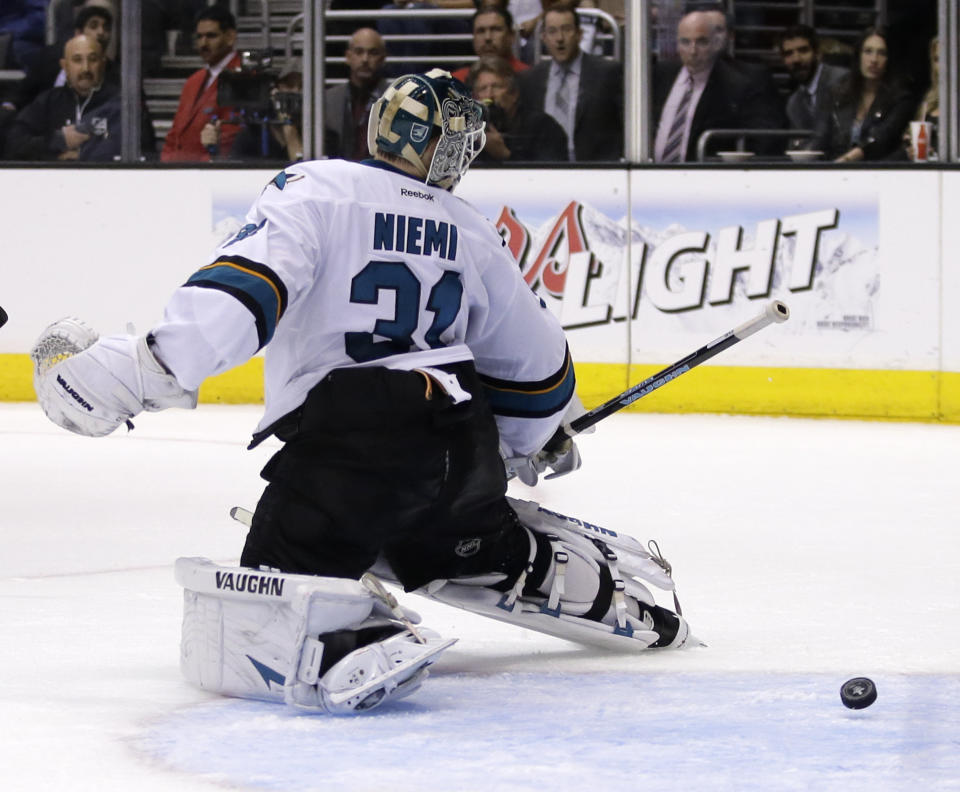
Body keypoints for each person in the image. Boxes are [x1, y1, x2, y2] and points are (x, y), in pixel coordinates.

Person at [31, 68, 691, 714]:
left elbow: (242, 297)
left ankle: (351, 636)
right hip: (465, 452)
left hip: (351, 460)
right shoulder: (468, 227)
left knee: (261, 603)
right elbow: (536, 364)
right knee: (458, 530)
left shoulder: (316, 188)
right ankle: (542, 564)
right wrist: (536, 439)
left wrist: (137, 374)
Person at [652, 10, 784, 162]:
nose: (693, 51)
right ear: (677, 43)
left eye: (701, 42)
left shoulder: (736, 83)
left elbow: (763, 141)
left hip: (706, 176)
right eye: (685, 42)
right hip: (653, 175)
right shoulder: (661, 75)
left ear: (715, 44)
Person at [4, 33, 154, 161]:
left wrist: (83, 157)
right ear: (65, 66)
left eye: (93, 59)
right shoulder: (48, 101)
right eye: (77, 60)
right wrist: (59, 141)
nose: (86, 68)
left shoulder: (122, 104)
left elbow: (146, 150)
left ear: (103, 63)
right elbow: (13, 143)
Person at [517, 2, 623, 161]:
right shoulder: (530, 79)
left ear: (579, 34)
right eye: (552, 32)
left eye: (567, 30)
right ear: (544, 38)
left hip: (595, 170)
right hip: (543, 170)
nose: (560, 38)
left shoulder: (607, 73)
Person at [809, 27, 915, 163]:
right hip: (835, 172)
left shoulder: (901, 98)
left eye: (881, 53)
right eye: (868, 51)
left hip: (878, 173)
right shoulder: (837, 93)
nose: (874, 60)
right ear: (859, 56)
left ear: (890, 59)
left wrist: (846, 160)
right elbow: (821, 136)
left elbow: (882, 137)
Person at [160, 6, 242, 162]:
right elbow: (174, 135)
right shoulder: (193, 81)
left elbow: (231, 138)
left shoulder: (244, 78)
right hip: (177, 174)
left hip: (211, 174)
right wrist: (167, 166)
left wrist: (198, 170)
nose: (203, 43)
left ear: (230, 37)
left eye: (211, 36)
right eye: (199, 37)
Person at [470, 55, 567, 161]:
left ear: (514, 94)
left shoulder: (543, 127)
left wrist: (504, 154)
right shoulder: (470, 131)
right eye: (482, 89)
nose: (489, 95)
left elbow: (549, 174)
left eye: (496, 87)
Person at [323, 27, 389, 161]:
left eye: (373, 53)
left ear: (382, 59)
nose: (365, 59)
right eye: (359, 52)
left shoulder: (396, 99)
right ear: (348, 57)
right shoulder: (328, 99)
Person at [779, 24, 850, 148]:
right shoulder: (794, 103)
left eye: (803, 50)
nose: (796, 59)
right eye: (789, 53)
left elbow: (838, 136)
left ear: (818, 53)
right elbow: (795, 146)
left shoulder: (840, 80)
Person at [230, 71, 304, 162]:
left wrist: (289, 128)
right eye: (290, 84)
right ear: (274, 89)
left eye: (302, 86)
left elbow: (302, 171)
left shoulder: (317, 136)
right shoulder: (251, 136)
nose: (296, 91)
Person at [451, 7, 529, 84]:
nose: (487, 37)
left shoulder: (529, 78)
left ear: (511, 36)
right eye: (481, 31)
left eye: (495, 29)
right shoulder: (456, 82)